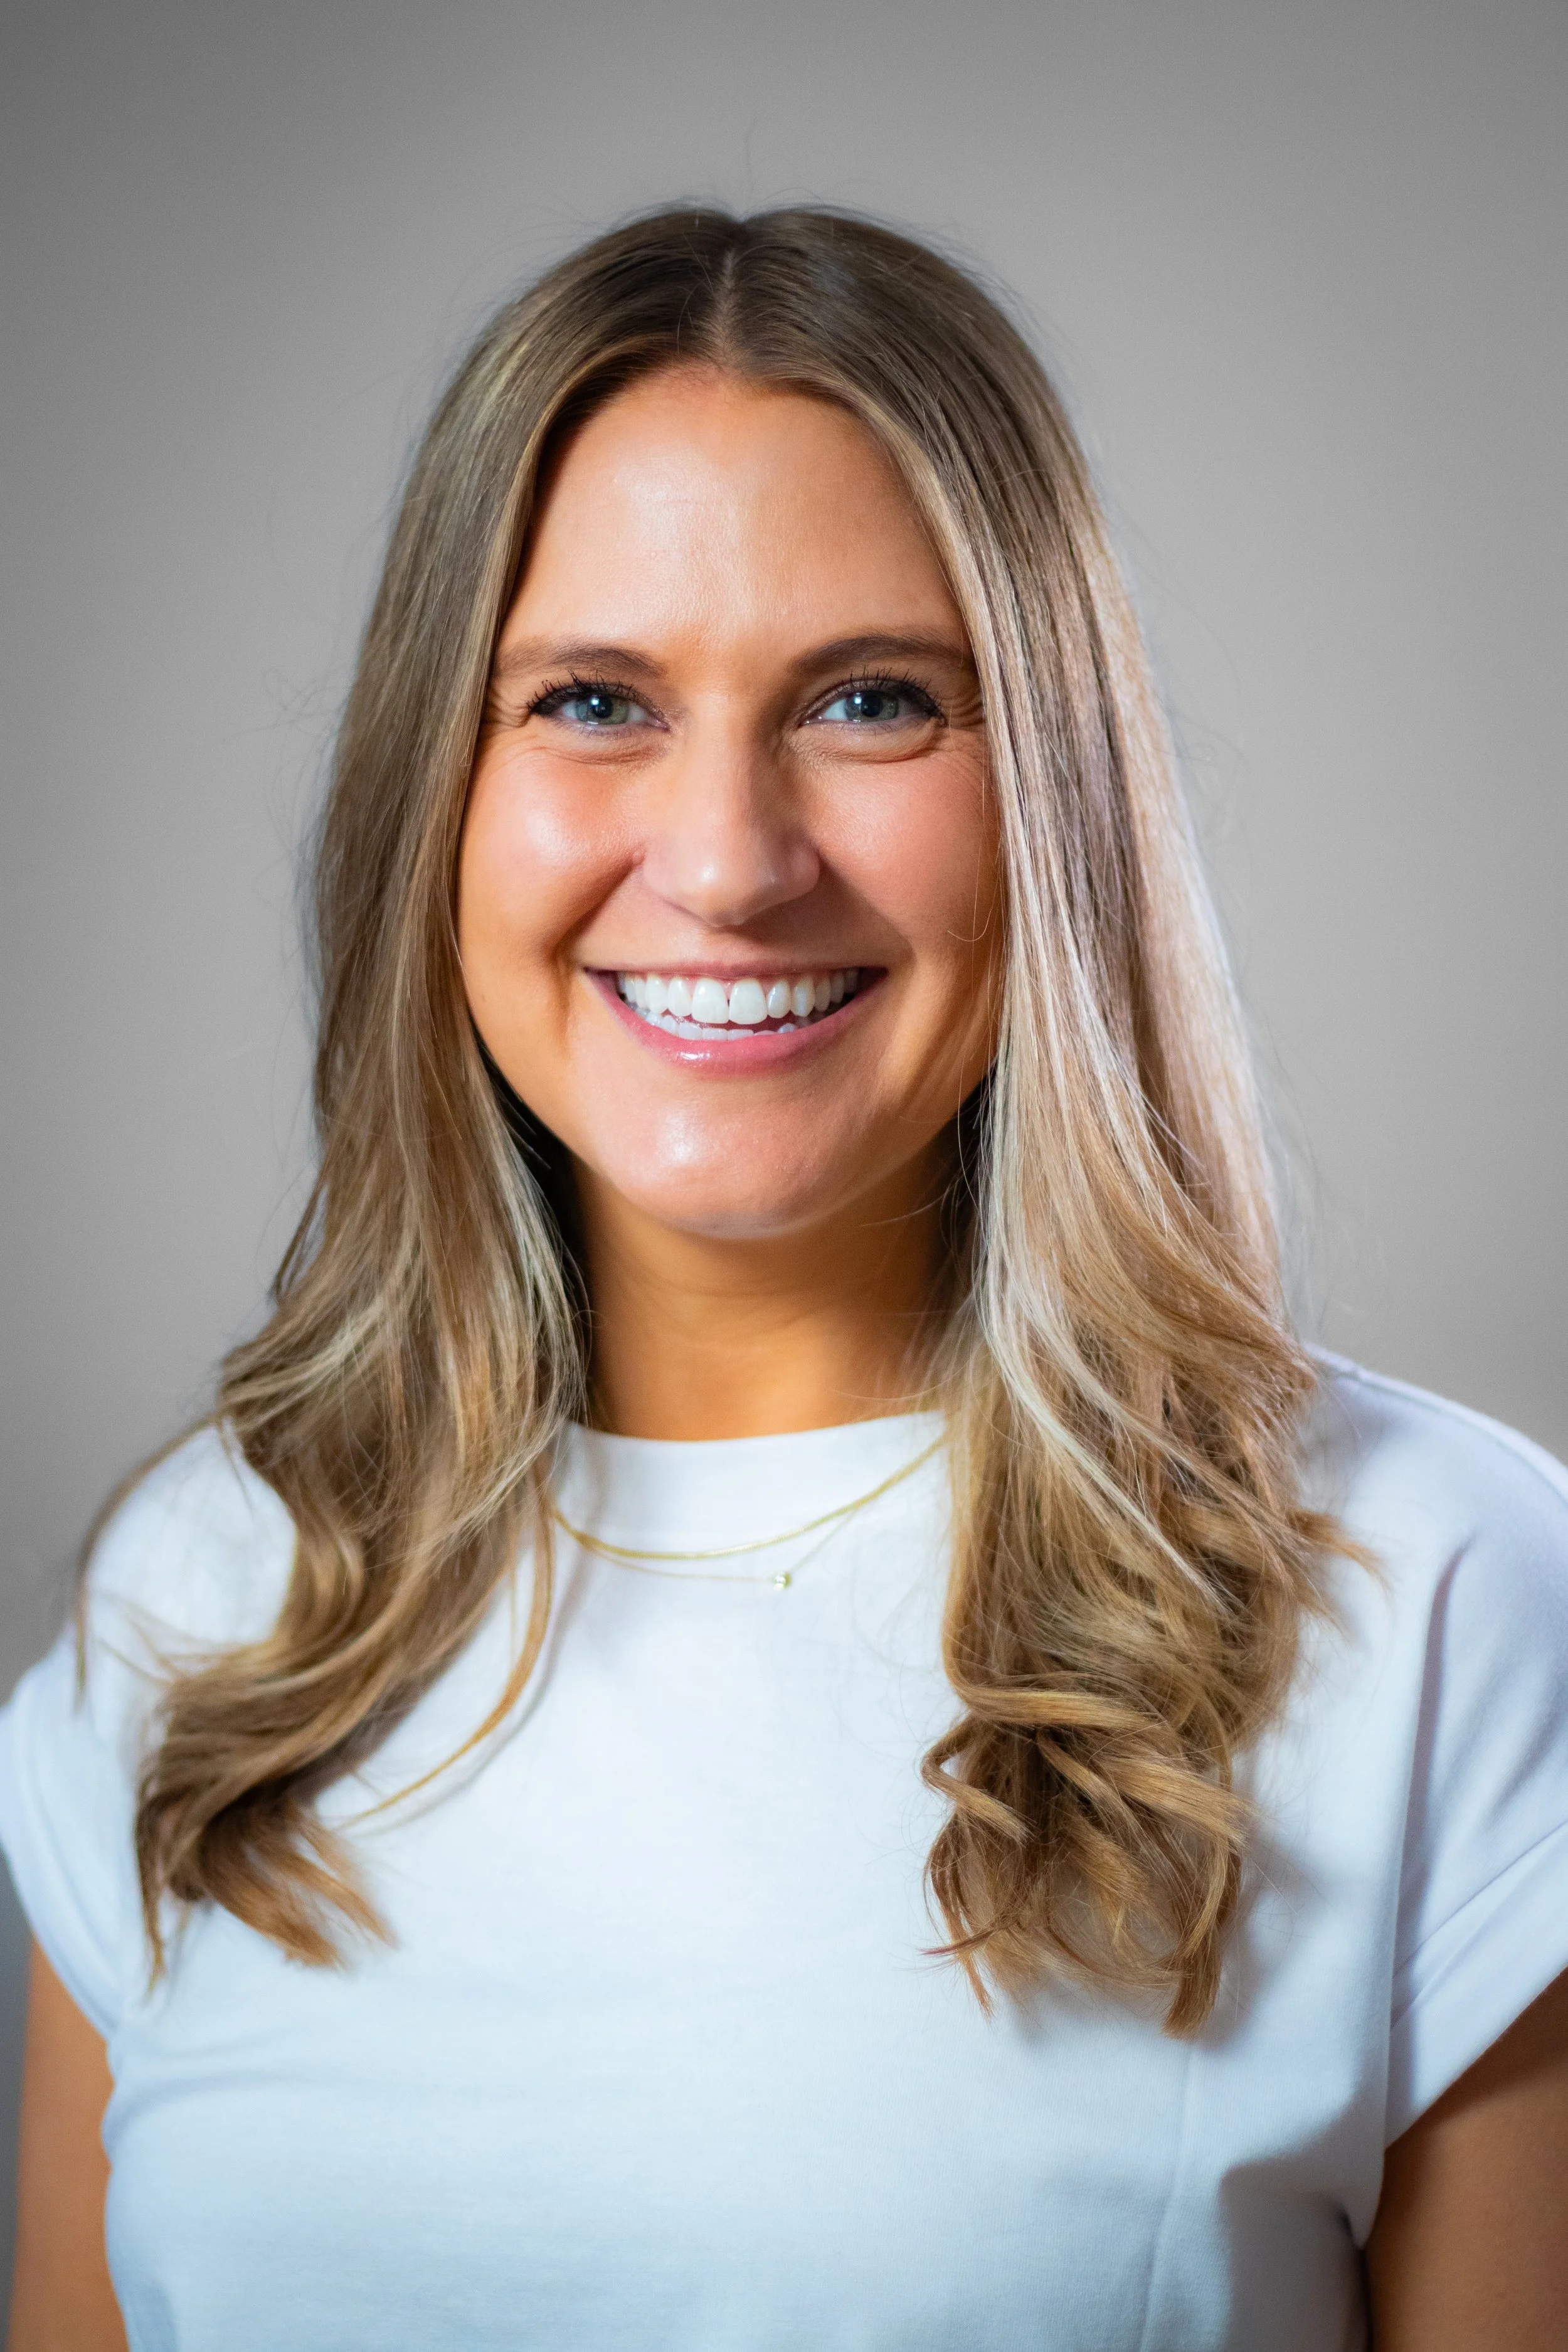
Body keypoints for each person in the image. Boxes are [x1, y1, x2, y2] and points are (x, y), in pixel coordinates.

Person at [4, 206, 1566, 2352]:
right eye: (590, 701)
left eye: (869, 701)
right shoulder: (200, 1609)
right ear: (433, 794)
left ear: (1053, 797)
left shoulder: (1440, 1599)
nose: (729, 861)